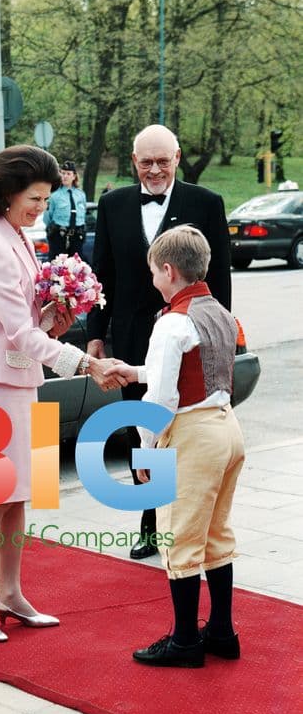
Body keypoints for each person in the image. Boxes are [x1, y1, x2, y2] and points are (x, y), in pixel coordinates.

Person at [0, 144, 123, 642]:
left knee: (22, 493)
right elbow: (16, 334)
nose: (40, 208)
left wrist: (55, 320)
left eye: (47, 199)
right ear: (6, 193)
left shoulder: (18, 237)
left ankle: (10, 592)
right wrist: (84, 362)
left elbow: (29, 326)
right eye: (34, 197)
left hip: (20, 378)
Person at [87, 124, 231, 561]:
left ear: (178, 158)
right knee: (142, 429)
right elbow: (101, 276)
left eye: (162, 161)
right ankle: (151, 523)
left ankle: (193, 520)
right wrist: (96, 333)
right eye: (145, 162)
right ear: (134, 161)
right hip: (133, 337)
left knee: (187, 428)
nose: (154, 170)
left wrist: (219, 335)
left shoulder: (206, 203)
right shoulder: (113, 205)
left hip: (190, 337)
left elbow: (219, 276)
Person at [104, 225, 245, 668]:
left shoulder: (171, 322)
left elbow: (163, 399)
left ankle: (185, 641)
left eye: (152, 272)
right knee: (217, 533)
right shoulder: (217, 310)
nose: (151, 280)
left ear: (167, 270)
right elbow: (191, 367)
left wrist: (144, 451)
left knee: (178, 536)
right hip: (226, 427)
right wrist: (134, 370)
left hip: (191, 435)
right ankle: (221, 631)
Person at [43, 160, 87, 260]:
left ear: (74, 176)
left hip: (77, 235)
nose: (65, 176)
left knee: (77, 266)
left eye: (68, 174)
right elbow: (47, 217)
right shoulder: (54, 195)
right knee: (57, 266)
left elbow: (83, 214)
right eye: (62, 173)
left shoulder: (80, 194)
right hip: (59, 236)